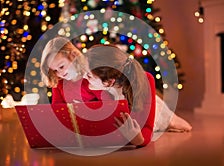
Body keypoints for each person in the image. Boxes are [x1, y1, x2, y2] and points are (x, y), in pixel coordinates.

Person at [40, 37, 192, 143]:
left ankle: (171, 119)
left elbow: (143, 129)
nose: (84, 80)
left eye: (88, 76)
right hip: (122, 96)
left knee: (161, 118)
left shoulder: (113, 84)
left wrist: (137, 138)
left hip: (145, 104)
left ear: (109, 81)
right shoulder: (101, 85)